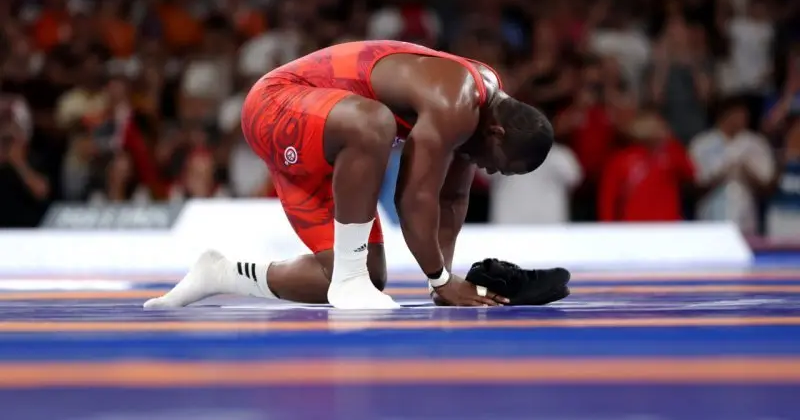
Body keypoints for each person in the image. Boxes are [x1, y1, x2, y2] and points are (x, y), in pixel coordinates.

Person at [145, 40, 555, 310]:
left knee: (368, 275)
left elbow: (451, 198)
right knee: (374, 123)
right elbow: (412, 199)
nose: (489, 170)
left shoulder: (480, 114)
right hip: (276, 104)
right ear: (497, 133)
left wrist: (442, 283)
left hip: (326, 143)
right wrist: (441, 279)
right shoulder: (457, 101)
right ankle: (350, 278)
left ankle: (221, 273)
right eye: (498, 164)